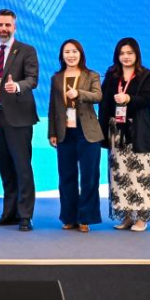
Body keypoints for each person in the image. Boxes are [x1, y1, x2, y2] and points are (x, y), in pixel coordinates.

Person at [0, 9, 40, 232]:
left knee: (22, 168)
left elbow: (32, 80)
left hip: (19, 118)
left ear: (14, 27)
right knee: (5, 168)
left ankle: (25, 216)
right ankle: (9, 213)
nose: (4, 29)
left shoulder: (27, 50)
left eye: (8, 25)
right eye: (0, 25)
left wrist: (16, 86)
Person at [99, 37, 150, 232]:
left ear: (137, 54)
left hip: (137, 130)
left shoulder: (147, 75)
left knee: (139, 175)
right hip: (116, 131)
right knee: (119, 175)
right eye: (122, 53)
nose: (125, 57)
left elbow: (146, 100)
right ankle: (126, 216)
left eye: (129, 53)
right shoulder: (112, 75)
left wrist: (128, 98)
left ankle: (141, 218)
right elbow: (104, 102)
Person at [47, 39, 103, 233]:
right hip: (65, 132)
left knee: (89, 176)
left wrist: (79, 93)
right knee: (66, 176)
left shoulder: (92, 75)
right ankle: (69, 217)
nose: (71, 55)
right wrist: (52, 132)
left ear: (81, 54)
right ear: (62, 56)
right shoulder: (56, 78)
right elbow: (53, 106)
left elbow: (98, 96)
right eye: (67, 52)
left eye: (74, 51)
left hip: (87, 132)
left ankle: (85, 217)